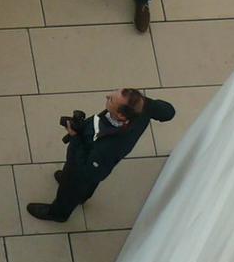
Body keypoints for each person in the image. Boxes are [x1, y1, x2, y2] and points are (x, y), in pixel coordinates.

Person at [27, 88, 176, 223]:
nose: (108, 95)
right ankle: (82, 196)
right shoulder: (142, 107)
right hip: (98, 163)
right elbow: (169, 112)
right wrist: (144, 102)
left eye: (111, 99)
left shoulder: (110, 146)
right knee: (86, 185)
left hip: (88, 166)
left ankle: (58, 213)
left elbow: (86, 170)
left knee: (72, 186)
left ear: (120, 115)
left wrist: (75, 137)